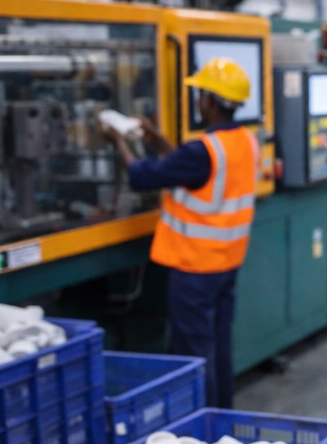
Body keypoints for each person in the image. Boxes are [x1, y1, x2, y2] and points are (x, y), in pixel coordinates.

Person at [106, 57, 259, 409]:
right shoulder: (244, 142)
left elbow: (142, 176)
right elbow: (190, 171)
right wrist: (158, 138)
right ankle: (222, 416)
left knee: (195, 353)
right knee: (217, 345)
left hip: (195, 269)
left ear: (208, 100)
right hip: (227, 264)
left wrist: (119, 141)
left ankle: (202, 426)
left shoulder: (202, 150)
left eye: (201, 94)